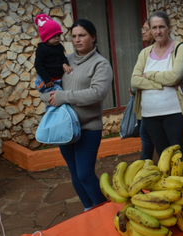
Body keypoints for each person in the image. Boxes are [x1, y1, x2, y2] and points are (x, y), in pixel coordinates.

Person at [40, 19, 113, 212]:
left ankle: (103, 211)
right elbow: (48, 85)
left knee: (85, 174)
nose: (77, 40)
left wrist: (63, 97)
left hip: (88, 127)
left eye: (82, 35)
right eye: (73, 36)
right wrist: (46, 95)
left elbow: (97, 93)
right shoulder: (65, 60)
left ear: (93, 37)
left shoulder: (101, 64)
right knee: (74, 173)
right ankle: (88, 210)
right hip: (65, 128)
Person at [131, 11, 183, 161]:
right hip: (150, 115)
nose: (158, 31)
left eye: (161, 27)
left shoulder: (180, 48)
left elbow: (174, 77)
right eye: (154, 28)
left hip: (175, 112)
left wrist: (150, 74)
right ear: (150, 30)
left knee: (180, 154)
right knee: (163, 155)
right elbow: (134, 81)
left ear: (169, 28)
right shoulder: (145, 53)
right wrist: (161, 84)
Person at [130, 19, 156, 160]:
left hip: (153, 102)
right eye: (143, 29)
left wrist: (136, 86)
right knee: (147, 136)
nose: (143, 32)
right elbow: (136, 79)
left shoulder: (154, 53)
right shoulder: (146, 52)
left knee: (146, 136)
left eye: (146, 29)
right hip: (145, 101)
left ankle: (144, 166)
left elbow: (148, 78)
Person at [34, 14, 73, 93]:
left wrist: (65, 63)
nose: (57, 38)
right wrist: (47, 80)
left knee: (61, 95)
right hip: (46, 80)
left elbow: (62, 58)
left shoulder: (59, 47)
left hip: (57, 78)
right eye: (53, 36)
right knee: (59, 96)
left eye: (59, 35)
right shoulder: (42, 49)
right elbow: (38, 65)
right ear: (46, 37)